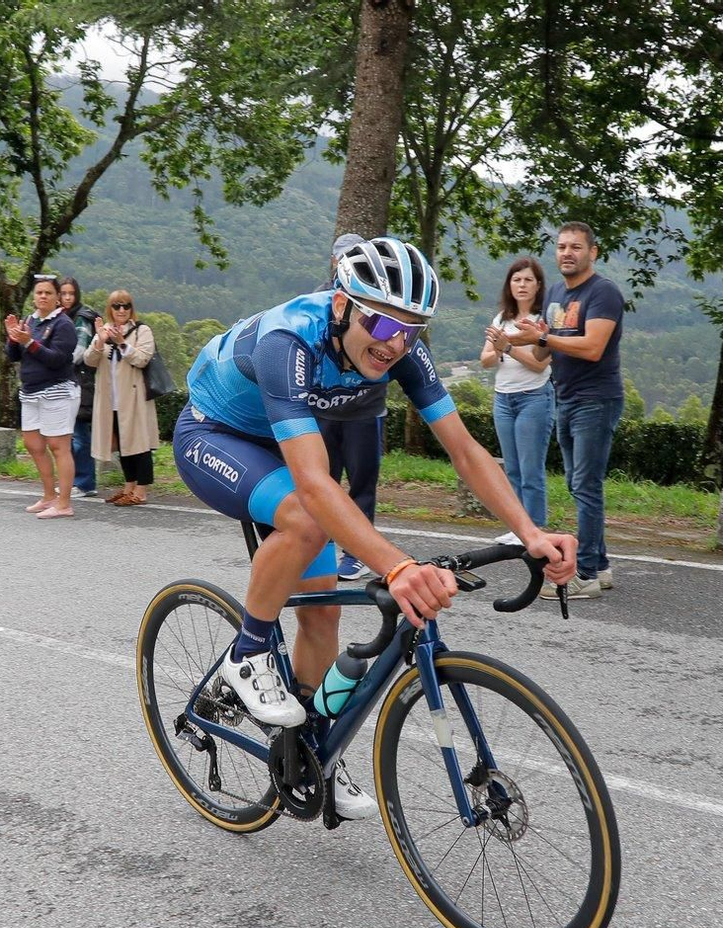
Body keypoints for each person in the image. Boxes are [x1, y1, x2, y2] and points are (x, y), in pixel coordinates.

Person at [175, 236, 576, 819]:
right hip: (214, 435)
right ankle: (248, 650)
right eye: (383, 324)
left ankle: (310, 752)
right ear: (342, 305)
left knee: (322, 616)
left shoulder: (400, 347)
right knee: (308, 516)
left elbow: (465, 450)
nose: (395, 344)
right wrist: (399, 566)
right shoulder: (289, 339)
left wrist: (529, 533)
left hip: (282, 444)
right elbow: (315, 485)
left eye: (412, 330)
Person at [489, 222, 623, 599]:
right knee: (577, 484)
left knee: (586, 485)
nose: (567, 253)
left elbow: (593, 347)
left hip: (596, 398)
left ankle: (586, 574)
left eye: (576, 247)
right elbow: (542, 351)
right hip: (565, 394)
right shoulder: (557, 294)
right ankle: (600, 565)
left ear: (592, 252)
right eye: (562, 246)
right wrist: (517, 339)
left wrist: (543, 337)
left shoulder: (603, 292)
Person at [317, 233, 384, 581]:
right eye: (342, 257)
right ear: (334, 261)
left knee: (362, 484)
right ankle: (320, 547)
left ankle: (357, 554)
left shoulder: (379, 297)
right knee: (323, 483)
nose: (346, 262)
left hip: (364, 410)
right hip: (325, 410)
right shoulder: (319, 298)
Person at [479, 256, 553, 542]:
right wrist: (498, 349)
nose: (522, 285)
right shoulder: (501, 319)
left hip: (534, 397)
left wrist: (507, 346)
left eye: (528, 280)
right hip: (503, 399)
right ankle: (519, 528)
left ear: (538, 285)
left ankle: (535, 529)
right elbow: (485, 359)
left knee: (530, 469)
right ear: (509, 285)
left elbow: (538, 365)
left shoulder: (542, 321)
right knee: (512, 469)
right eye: (516, 280)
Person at [4, 274, 80, 518]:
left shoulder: (63, 324)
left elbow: (57, 359)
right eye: (39, 293)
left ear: (57, 298)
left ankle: (64, 503)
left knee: (58, 446)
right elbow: (13, 356)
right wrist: (13, 338)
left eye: (48, 293)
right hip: (30, 391)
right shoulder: (30, 320)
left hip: (57, 390)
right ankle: (49, 496)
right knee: (33, 444)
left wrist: (29, 342)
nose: (43, 297)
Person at [84, 290, 158, 505]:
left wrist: (122, 343)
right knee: (124, 445)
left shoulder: (142, 331)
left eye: (126, 306)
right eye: (117, 306)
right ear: (110, 309)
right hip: (111, 400)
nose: (122, 310)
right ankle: (128, 487)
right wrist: (100, 341)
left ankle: (141, 492)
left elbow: (143, 359)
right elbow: (89, 360)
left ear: (131, 308)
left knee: (140, 445)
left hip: (135, 399)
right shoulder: (104, 331)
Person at [59, 277, 102, 498]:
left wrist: (54, 362)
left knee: (80, 435)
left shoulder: (81, 318)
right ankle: (73, 480)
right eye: (63, 293)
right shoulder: (61, 316)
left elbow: (78, 352)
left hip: (79, 382)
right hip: (67, 381)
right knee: (68, 435)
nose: (67, 298)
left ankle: (85, 482)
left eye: (71, 293)